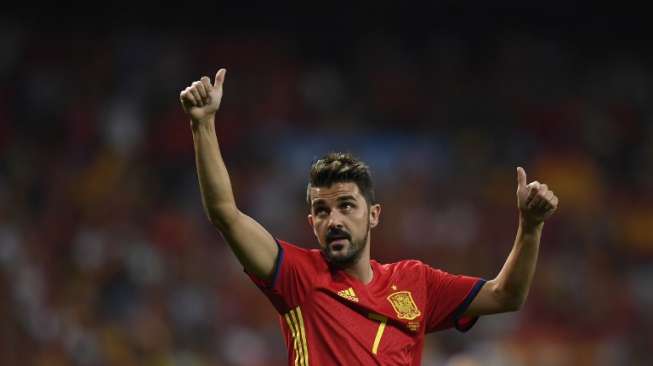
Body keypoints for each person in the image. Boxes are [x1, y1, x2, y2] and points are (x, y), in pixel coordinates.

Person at [179, 69, 559, 365]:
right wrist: (203, 124)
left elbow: (506, 295)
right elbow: (225, 213)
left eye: (346, 205)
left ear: (373, 214)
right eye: (322, 211)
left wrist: (531, 227)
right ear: (312, 224)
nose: (334, 220)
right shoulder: (298, 276)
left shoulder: (416, 283)